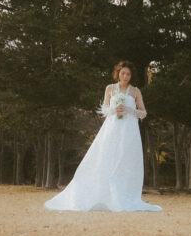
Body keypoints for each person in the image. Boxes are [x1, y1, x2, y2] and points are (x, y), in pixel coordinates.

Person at [44, 61, 162, 212]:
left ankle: (123, 194)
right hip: (112, 127)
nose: (125, 76)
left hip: (129, 129)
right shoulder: (110, 88)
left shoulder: (135, 91)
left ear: (131, 76)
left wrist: (129, 110)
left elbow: (143, 113)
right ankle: (101, 194)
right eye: (122, 73)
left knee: (125, 160)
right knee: (105, 157)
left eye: (128, 74)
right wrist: (114, 109)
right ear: (118, 73)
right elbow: (104, 109)